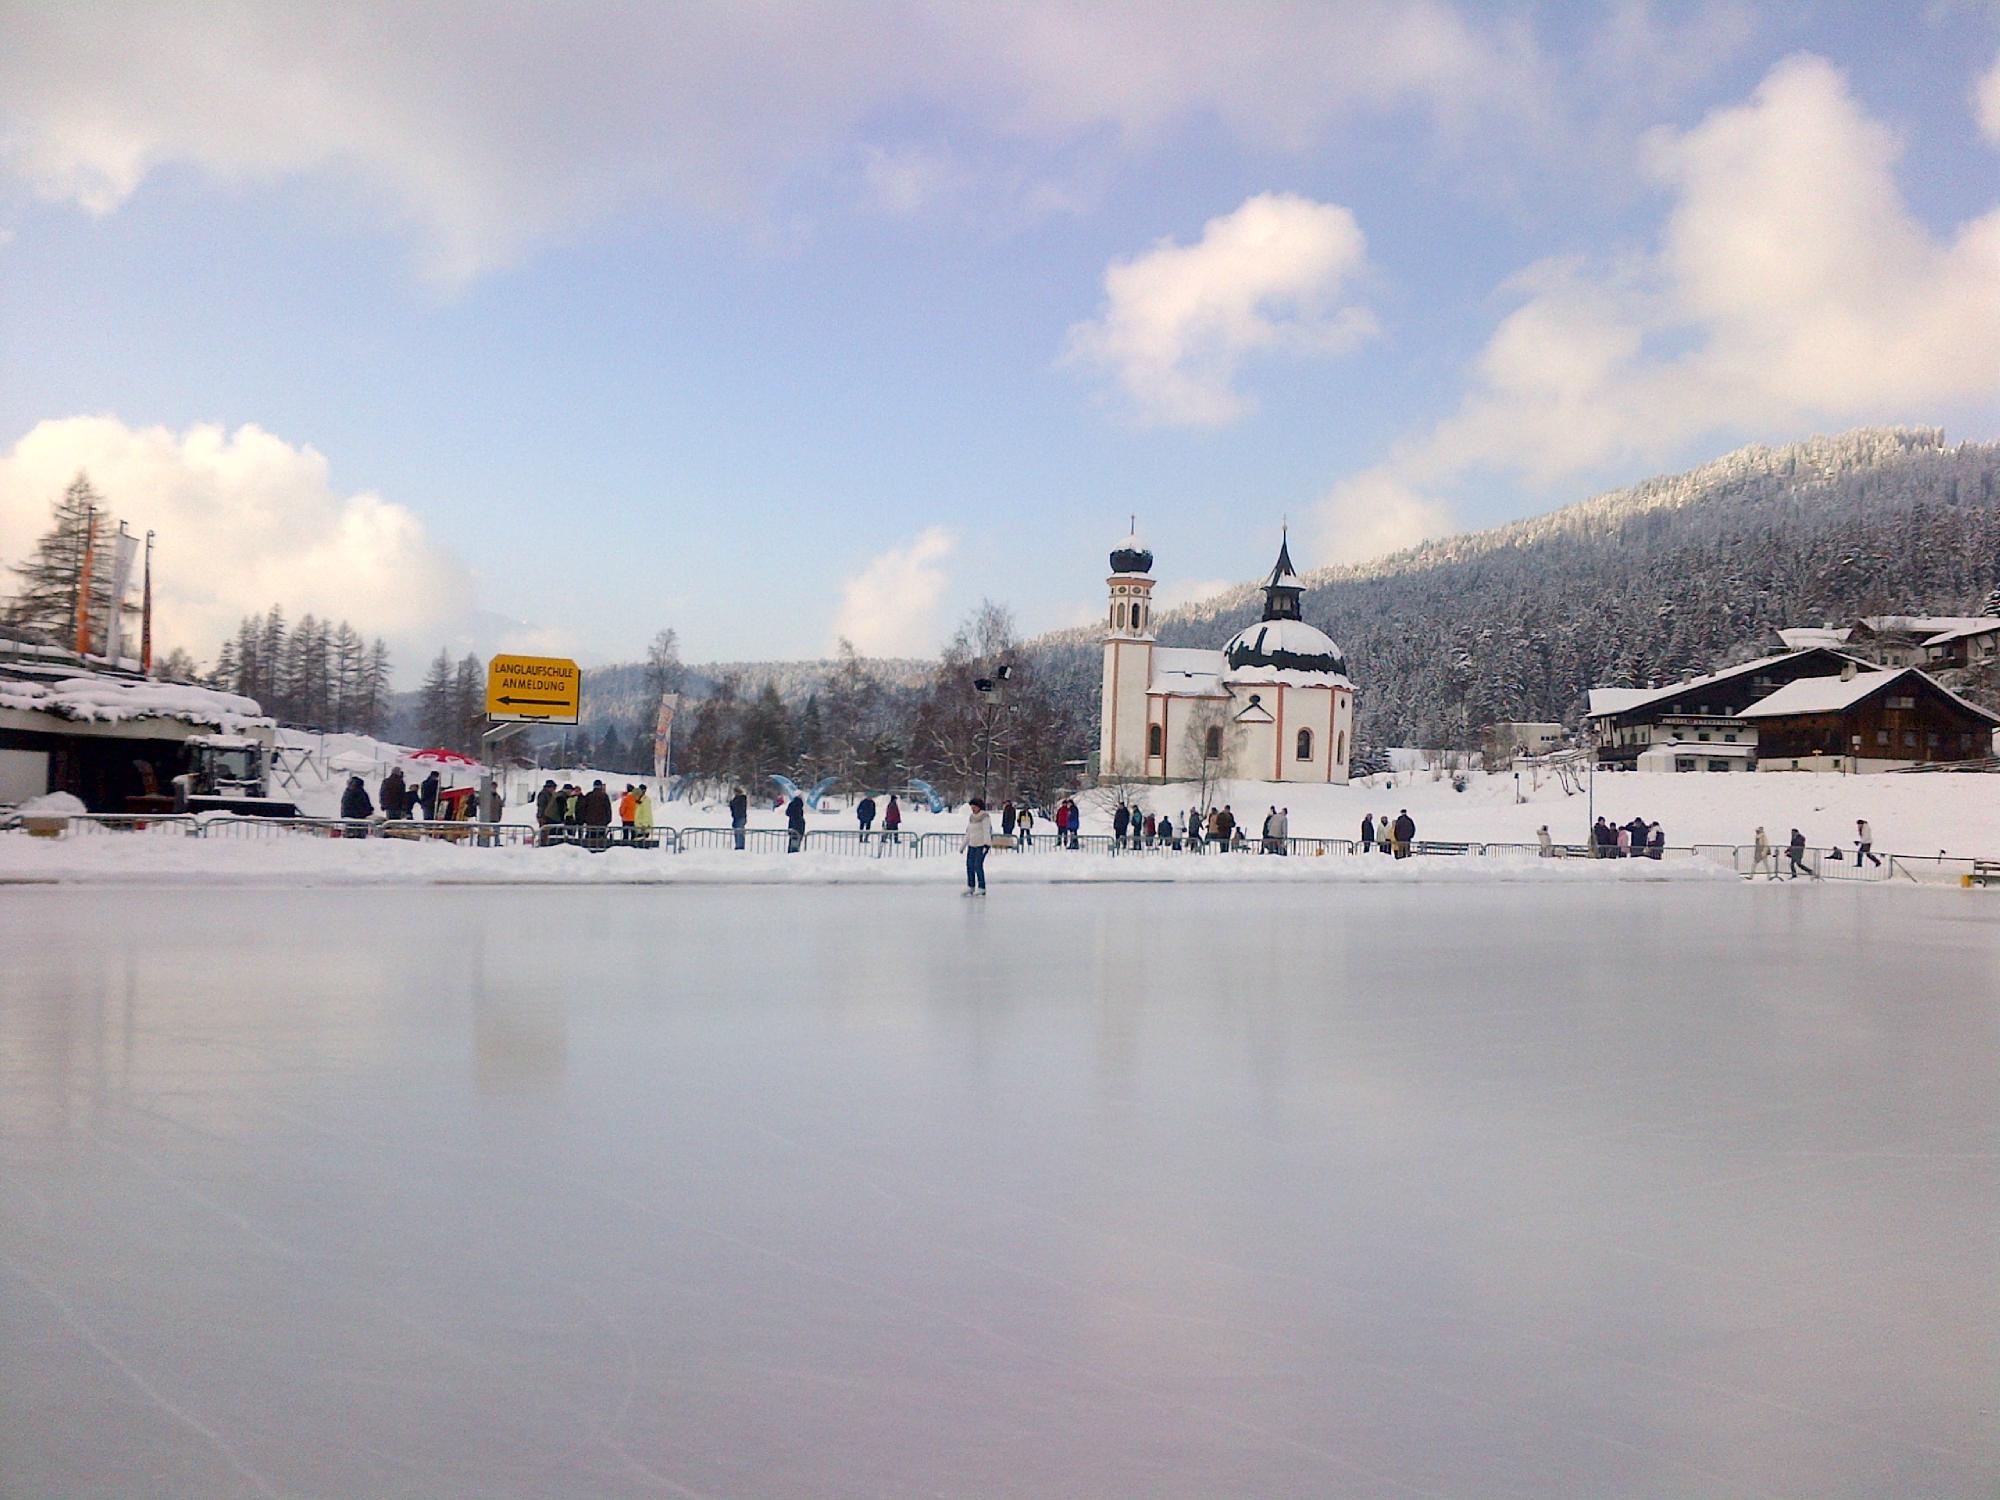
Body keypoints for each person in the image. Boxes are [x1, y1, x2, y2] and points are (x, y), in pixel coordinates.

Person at [963, 797, 992, 894]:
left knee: (977, 865)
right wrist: (963, 846)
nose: (973, 809)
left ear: (979, 807)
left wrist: (986, 845)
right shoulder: (971, 817)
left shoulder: (984, 817)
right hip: (972, 845)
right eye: (972, 807)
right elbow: (969, 832)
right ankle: (970, 886)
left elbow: (986, 831)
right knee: (969, 865)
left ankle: (982, 887)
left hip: (981, 845)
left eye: (974, 807)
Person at [581, 780, 614, 849]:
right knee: (601, 840)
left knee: (590, 839)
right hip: (602, 823)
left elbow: (583, 808)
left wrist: (584, 819)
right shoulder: (604, 796)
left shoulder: (589, 795)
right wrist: (607, 820)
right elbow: (608, 809)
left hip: (590, 823)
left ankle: (588, 852)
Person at [729, 786, 749, 850]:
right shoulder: (736, 799)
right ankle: (738, 845)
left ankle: (740, 846)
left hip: (740, 817)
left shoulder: (741, 798)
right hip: (736, 817)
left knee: (739, 832)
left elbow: (737, 806)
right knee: (737, 832)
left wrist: (732, 802)